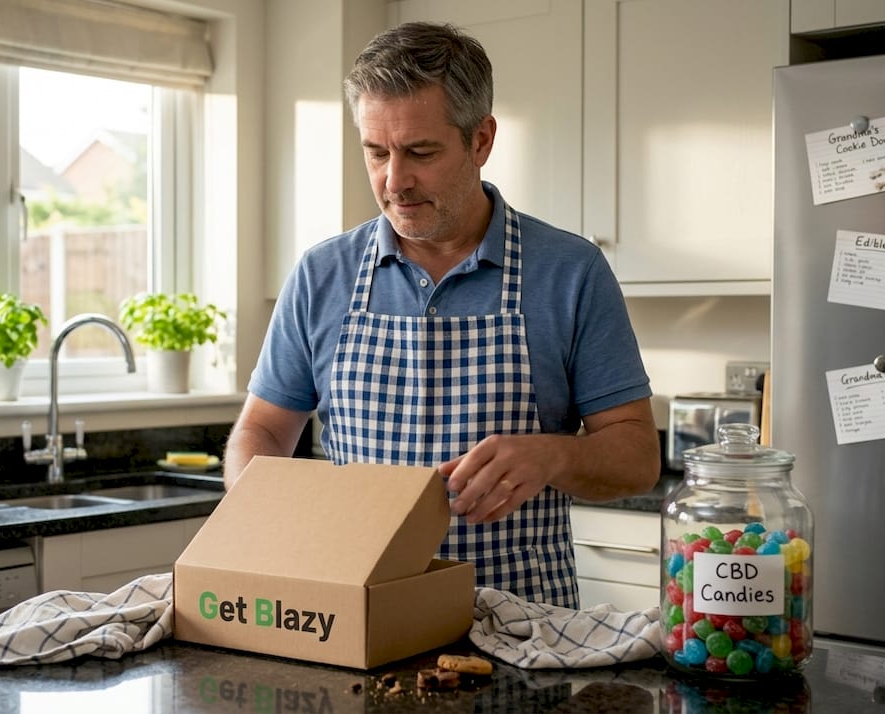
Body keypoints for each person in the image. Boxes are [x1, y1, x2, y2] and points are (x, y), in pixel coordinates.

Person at [223, 21, 659, 609]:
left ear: (481, 140)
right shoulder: (322, 274)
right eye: (375, 152)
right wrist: (268, 524)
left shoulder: (570, 271)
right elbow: (265, 431)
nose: (394, 182)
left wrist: (554, 453)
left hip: (520, 630)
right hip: (361, 619)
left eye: (420, 153)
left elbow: (636, 458)